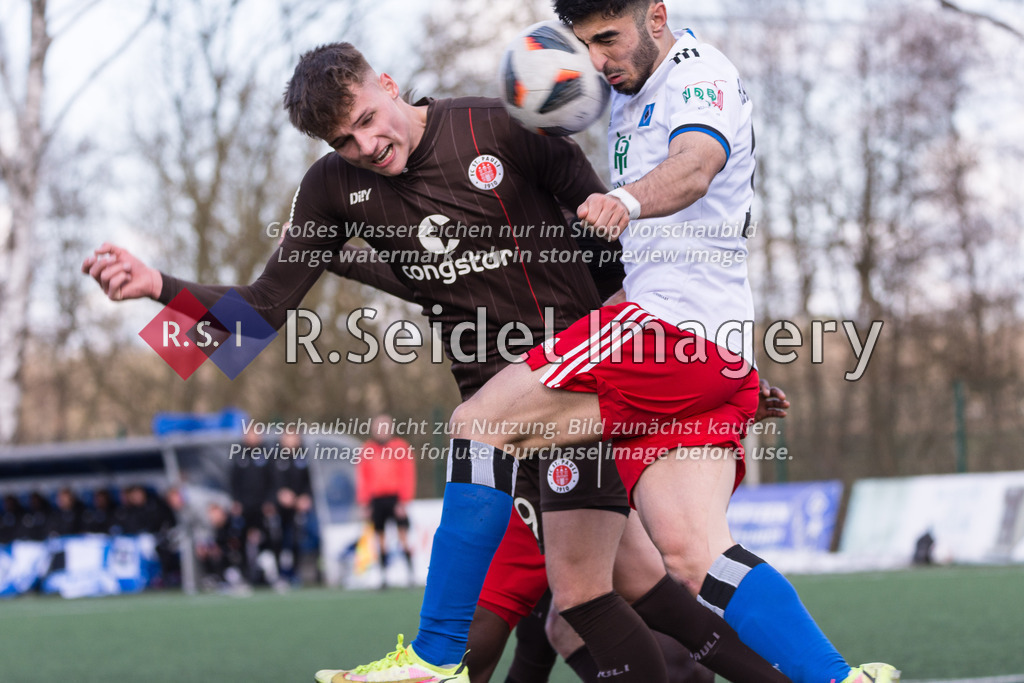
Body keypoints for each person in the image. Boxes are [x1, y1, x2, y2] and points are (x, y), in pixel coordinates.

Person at [82, 42, 784, 683]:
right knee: (598, 595)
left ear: (387, 84)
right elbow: (262, 311)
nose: (364, 144)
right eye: (343, 139)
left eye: (366, 118)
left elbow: (616, 253)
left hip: (575, 384)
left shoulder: (502, 127)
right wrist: (159, 289)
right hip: (504, 410)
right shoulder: (333, 188)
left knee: (607, 592)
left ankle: (432, 659)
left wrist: (702, 370)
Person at [354, 1, 895, 682]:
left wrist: (629, 199)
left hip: (662, 329)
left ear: (658, 16)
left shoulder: (698, 77)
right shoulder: (623, 97)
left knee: (478, 422)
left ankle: (433, 660)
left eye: (610, 38)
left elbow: (696, 165)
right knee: (697, 556)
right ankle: (838, 678)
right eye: (587, 46)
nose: (601, 61)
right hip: (706, 346)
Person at [327, 243, 792, 683]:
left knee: (595, 600)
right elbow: (426, 282)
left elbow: (661, 311)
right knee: (554, 615)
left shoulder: (572, 227)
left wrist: (725, 381)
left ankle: (790, 672)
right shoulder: (496, 240)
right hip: (517, 451)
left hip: (563, 437)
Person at [356, 414, 416, 587]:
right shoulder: (367, 449)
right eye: (378, 426)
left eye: (384, 426)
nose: (381, 430)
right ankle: (383, 576)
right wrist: (364, 502)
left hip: (395, 499)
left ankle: (410, 574)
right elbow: (363, 478)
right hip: (376, 500)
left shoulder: (401, 447)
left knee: (403, 536)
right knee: (379, 538)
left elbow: (408, 475)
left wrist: (403, 501)